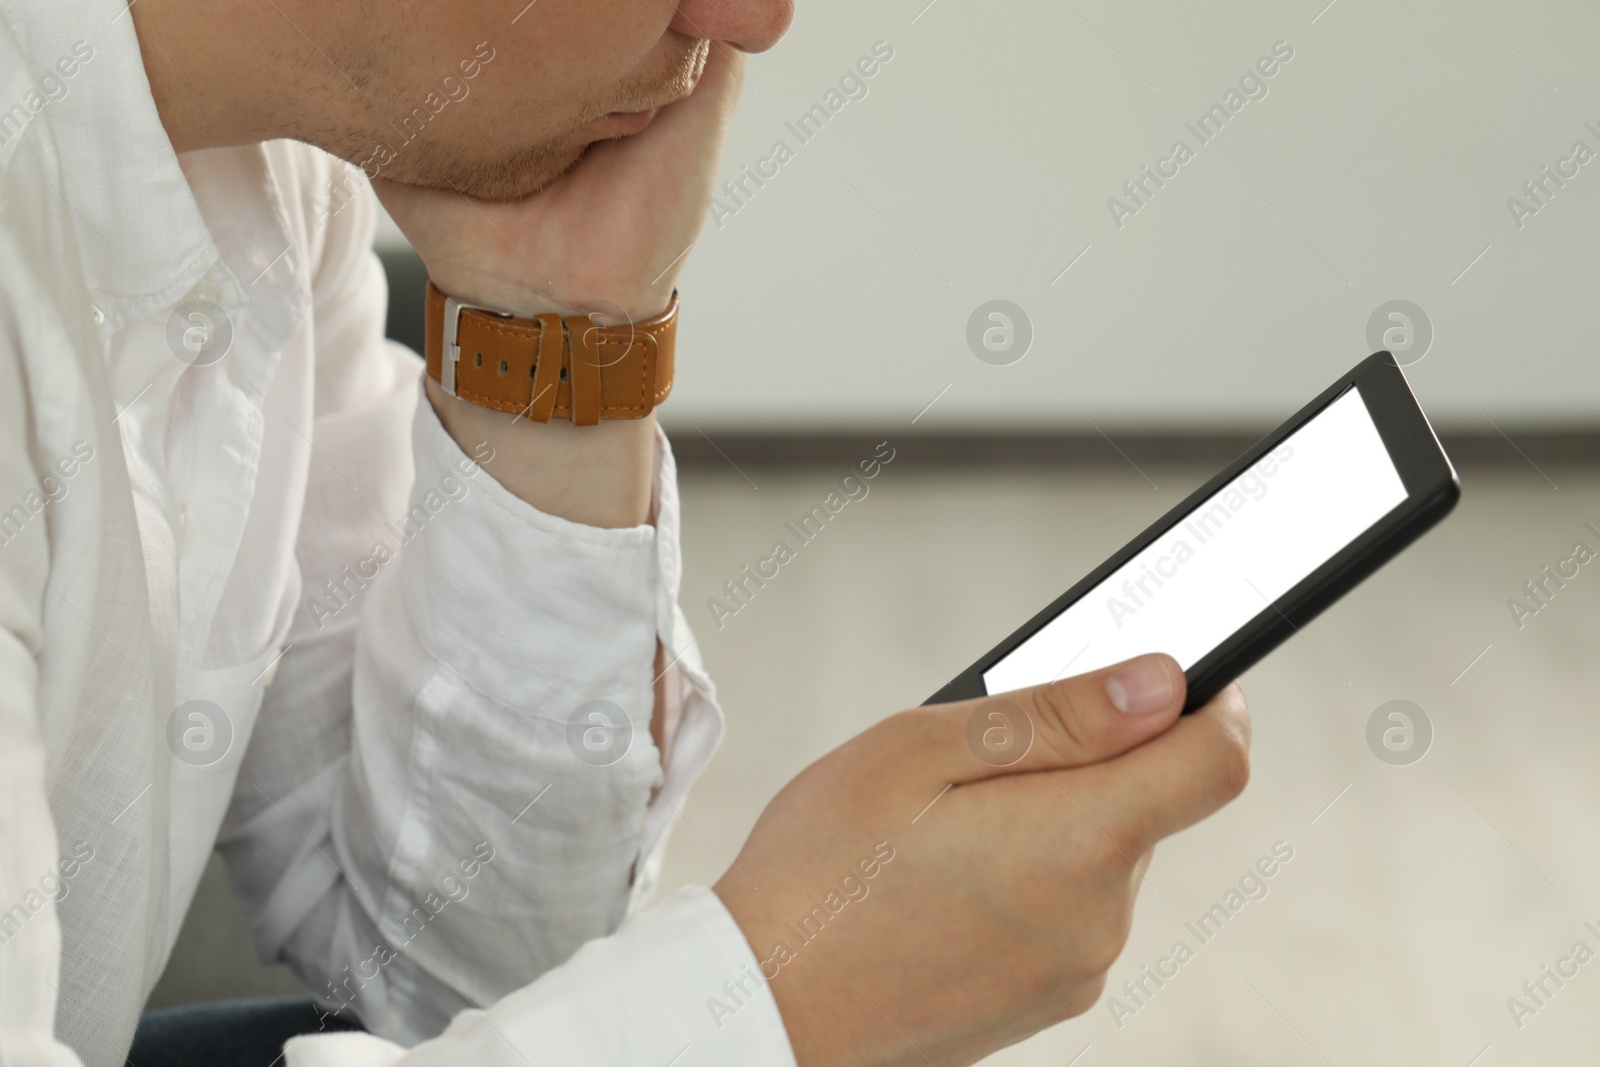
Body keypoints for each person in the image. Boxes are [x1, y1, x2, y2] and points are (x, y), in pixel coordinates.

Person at [0, 0, 1252, 1063]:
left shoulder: (270, 184)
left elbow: (447, 970)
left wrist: (558, 321)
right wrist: (775, 1010)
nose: (752, 20)